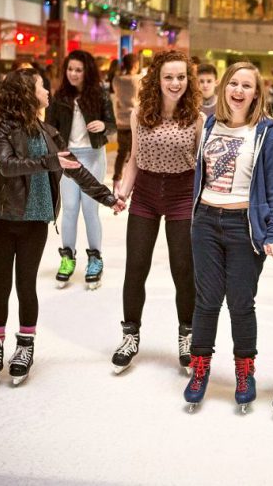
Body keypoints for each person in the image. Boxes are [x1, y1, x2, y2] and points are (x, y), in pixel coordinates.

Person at [0, 69, 124, 392]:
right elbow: (6, 165)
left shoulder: (48, 132)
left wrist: (107, 197)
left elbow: (75, 170)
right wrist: (49, 162)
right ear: (28, 93)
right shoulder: (1, 128)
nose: (48, 91)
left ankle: (25, 345)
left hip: (35, 221)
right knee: (0, 286)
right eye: (42, 86)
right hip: (3, 217)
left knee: (26, 285)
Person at [183, 61, 273, 413]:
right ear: (225, 87)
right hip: (206, 222)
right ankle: (199, 368)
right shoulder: (210, 124)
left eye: (246, 86)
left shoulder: (266, 132)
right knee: (207, 300)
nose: (238, 91)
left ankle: (245, 371)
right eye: (234, 84)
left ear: (256, 93)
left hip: (244, 226)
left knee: (241, 303)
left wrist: (271, 232)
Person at [110, 51, 203, 375]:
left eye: (181, 77)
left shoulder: (196, 119)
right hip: (146, 196)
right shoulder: (140, 113)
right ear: (157, 80)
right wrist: (123, 190)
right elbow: (134, 158)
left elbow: (201, 167)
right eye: (169, 77)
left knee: (183, 268)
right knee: (136, 267)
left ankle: (187, 335)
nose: (175, 83)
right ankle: (130, 335)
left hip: (181, 196)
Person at [45, 50, 117, 290]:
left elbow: (112, 124)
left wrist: (103, 126)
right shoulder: (59, 96)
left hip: (93, 156)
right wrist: (56, 155)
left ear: (87, 71)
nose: (73, 74)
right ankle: (67, 257)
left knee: (89, 209)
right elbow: (49, 128)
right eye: (70, 69)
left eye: (78, 70)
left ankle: (95, 258)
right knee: (70, 209)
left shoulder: (99, 94)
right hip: (69, 157)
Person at [112, 53, 141, 189]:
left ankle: (116, 180)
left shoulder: (117, 80)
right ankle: (132, 183)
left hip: (121, 122)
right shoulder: (138, 80)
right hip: (134, 122)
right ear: (135, 65)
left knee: (121, 152)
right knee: (134, 154)